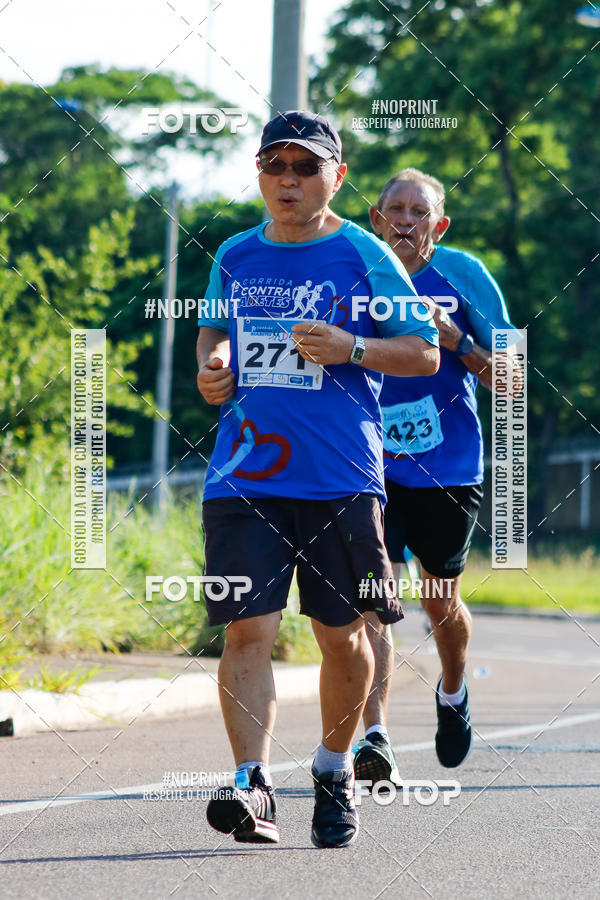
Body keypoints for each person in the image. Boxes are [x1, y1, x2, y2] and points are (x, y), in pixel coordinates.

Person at [196, 116, 439, 848]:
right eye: (275, 165)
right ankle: (253, 783)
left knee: (344, 637)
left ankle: (333, 770)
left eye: (306, 166)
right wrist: (212, 367)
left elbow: (424, 352)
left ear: (337, 175)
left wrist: (352, 347)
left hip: (340, 479)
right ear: (260, 173)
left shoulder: (364, 253)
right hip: (244, 476)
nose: (289, 179)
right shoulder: (235, 253)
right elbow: (213, 332)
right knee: (248, 629)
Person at [352, 167, 520, 784]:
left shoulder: (465, 274)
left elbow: (513, 379)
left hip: (447, 465)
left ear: (439, 225)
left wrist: (458, 343)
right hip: (366, 462)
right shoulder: (354, 269)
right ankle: (375, 736)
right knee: (375, 597)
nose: (404, 220)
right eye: (394, 209)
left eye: (417, 211)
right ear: (376, 218)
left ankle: (453, 690)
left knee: (438, 599)